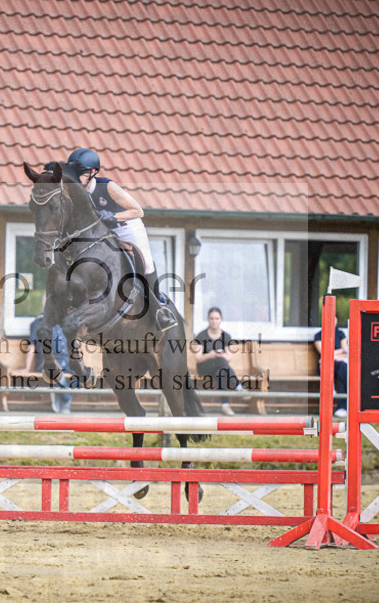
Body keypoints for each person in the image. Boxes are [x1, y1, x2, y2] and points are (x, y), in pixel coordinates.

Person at [65, 148, 177, 331]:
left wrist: (113, 216)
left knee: (146, 264)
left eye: (81, 174)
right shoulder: (77, 193)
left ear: (93, 172)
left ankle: (160, 309)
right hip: (106, 233)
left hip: (128, 229)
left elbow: (138, 211)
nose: (76, 178)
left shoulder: (107, 186)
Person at [192, 306, 241, 415]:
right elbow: (198, 358)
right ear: (208, 319)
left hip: (220, 367)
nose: (214, 321)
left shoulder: (226, 336)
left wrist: (221, 355)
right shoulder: (201, 336)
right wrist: (211, 355)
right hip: (204, 367)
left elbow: (229, 357)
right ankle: (237, 385)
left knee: (222, 372)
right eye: (212, 318)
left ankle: (225, 405)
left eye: (216, 318)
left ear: (221, 319)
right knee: (219, 359)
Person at [27, 314, 75, 413]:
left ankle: (59, 395)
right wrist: (26, 367)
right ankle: (66, 399)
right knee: (55, 372)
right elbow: (32, 346)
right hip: (48, 362)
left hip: (67, 363)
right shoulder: (38, 323)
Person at [314, 312, 349, 418]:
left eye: (334, 319)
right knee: (342, 370)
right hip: (325, 365)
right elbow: (323, 352)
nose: (332, 322)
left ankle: (342, 407)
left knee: (343, 370)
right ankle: (342, 407)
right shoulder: (318, 335)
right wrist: (338, 352)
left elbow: (346, 350)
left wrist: (331, 353)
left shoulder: (340, 333)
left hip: (339, 364)